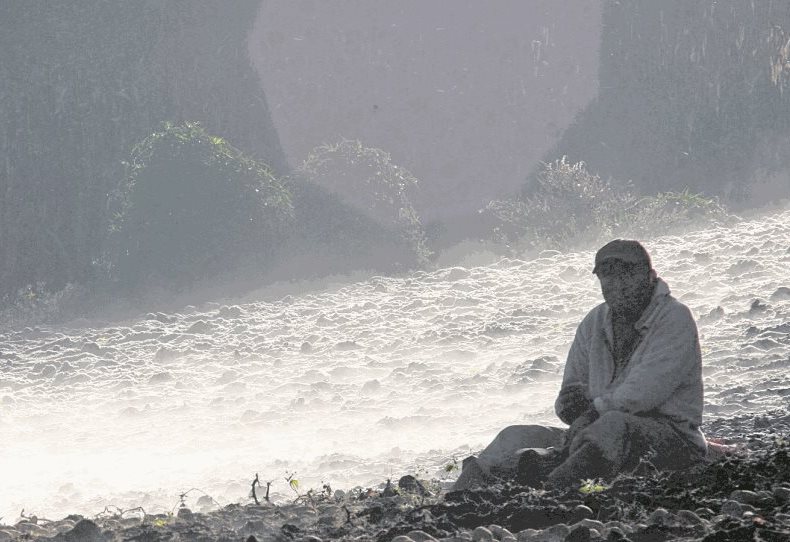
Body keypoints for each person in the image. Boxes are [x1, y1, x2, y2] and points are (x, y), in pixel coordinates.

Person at [453, 239, 707, 491]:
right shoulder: (594, 321)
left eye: (627, 274)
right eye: (608, 276)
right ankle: (455, 500)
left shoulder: (674, 317)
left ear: (649, 275)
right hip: (594, 430)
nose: (618, 284)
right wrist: (569, 405)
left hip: (674, 440)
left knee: (613, 426)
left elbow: (644, 394)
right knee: (514, 435)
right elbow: (572, 390)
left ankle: (546, 498)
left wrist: (591, 413)